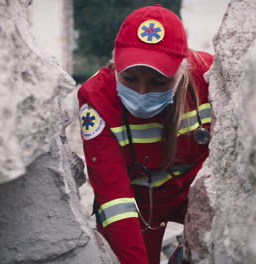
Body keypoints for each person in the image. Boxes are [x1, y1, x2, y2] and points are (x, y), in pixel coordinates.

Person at [78, 4, 214, 264]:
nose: (142, 93)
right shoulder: (97, 97)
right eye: (129, 79)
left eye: (158, 82)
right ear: (114, 63)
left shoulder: (210, 75)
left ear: (182, 70)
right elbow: (114, 196)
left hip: (194, 194)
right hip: (137, 205)